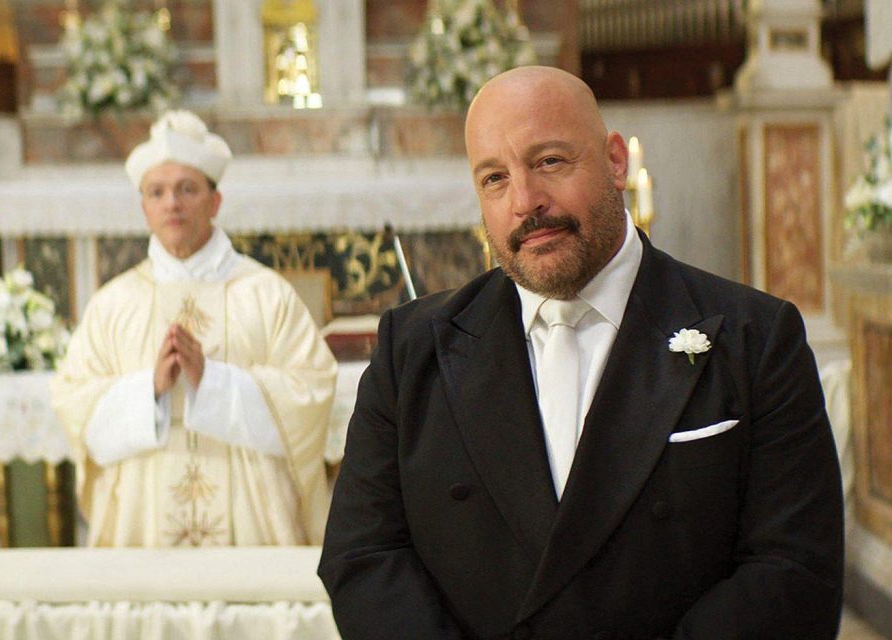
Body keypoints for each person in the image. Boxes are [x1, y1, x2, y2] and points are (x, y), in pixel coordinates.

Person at [318, 67, 843, 639]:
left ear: (616, 162)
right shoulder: (410, 349)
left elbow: (794, 571)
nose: (525, 202)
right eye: (495, 179)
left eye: (549, 162)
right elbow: (363, 555)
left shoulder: (757, 338)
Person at [51, 110, 337, 547]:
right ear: (144, 208)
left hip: (251, 527)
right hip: (143, 526)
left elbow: (311, 393)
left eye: (187, 189)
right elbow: (75, 405)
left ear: (215, 201)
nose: (172, 203)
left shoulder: (266, 295)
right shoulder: (113, 304)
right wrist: (149, 390)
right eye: (157, 192)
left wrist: (215, 382)